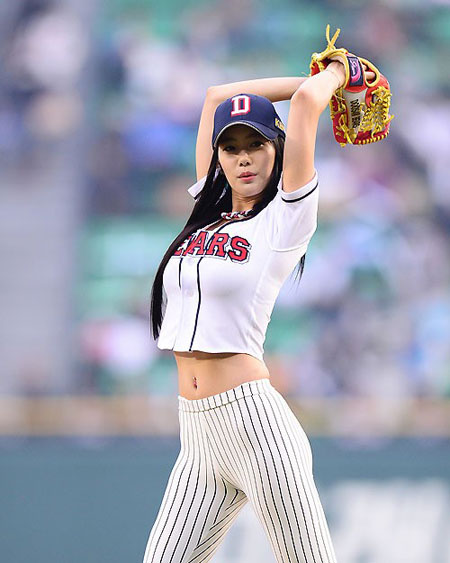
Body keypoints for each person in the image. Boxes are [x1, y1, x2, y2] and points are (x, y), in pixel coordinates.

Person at [144, 59, 365, 562]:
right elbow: (215, 95)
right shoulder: (208, 210)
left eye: (257, 145)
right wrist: (304, 74)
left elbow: (308, 104)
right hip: (197, 437)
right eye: (232, 147)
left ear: (278, 148)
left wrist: (340, 72)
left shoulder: (284, 219)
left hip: (254, 426)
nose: (244, 159)